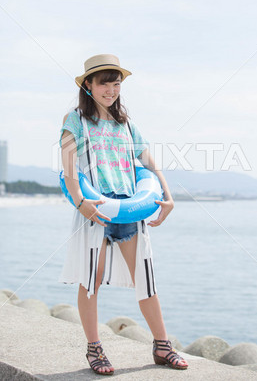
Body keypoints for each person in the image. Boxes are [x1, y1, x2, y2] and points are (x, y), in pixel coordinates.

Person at [59, 54, 189, 375]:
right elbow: (69, 166)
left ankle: (162, 345)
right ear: (88, 84)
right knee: (91, 281)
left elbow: (148, 162)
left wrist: (168, 197)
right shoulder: (75, 120)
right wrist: (80, 201)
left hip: (130, 207)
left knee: (146, 279)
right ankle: (95, 349)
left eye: (116, 83)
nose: (111, 90)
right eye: (105, 83)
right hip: (97, 209)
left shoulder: (126, 123)